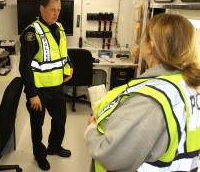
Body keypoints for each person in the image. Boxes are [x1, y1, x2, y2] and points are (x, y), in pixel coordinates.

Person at [84, 13, 200, 172]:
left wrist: (91, 129)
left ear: (150, 46)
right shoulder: (188, 85)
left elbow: (110, 155)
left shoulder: (150, 101)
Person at [19, 0, 73, 171]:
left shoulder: (59, 27)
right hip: (39, 89)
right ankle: (40, 155)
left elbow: (62, 51)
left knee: (60, 120)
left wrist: (70, 65)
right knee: (37, 125)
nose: (56, 13)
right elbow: (24, 66)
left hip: (57, 86)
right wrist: (32, 94)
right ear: (42, 9)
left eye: (58, 10)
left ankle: (54, 147)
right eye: (52, 10)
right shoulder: (31, 32)